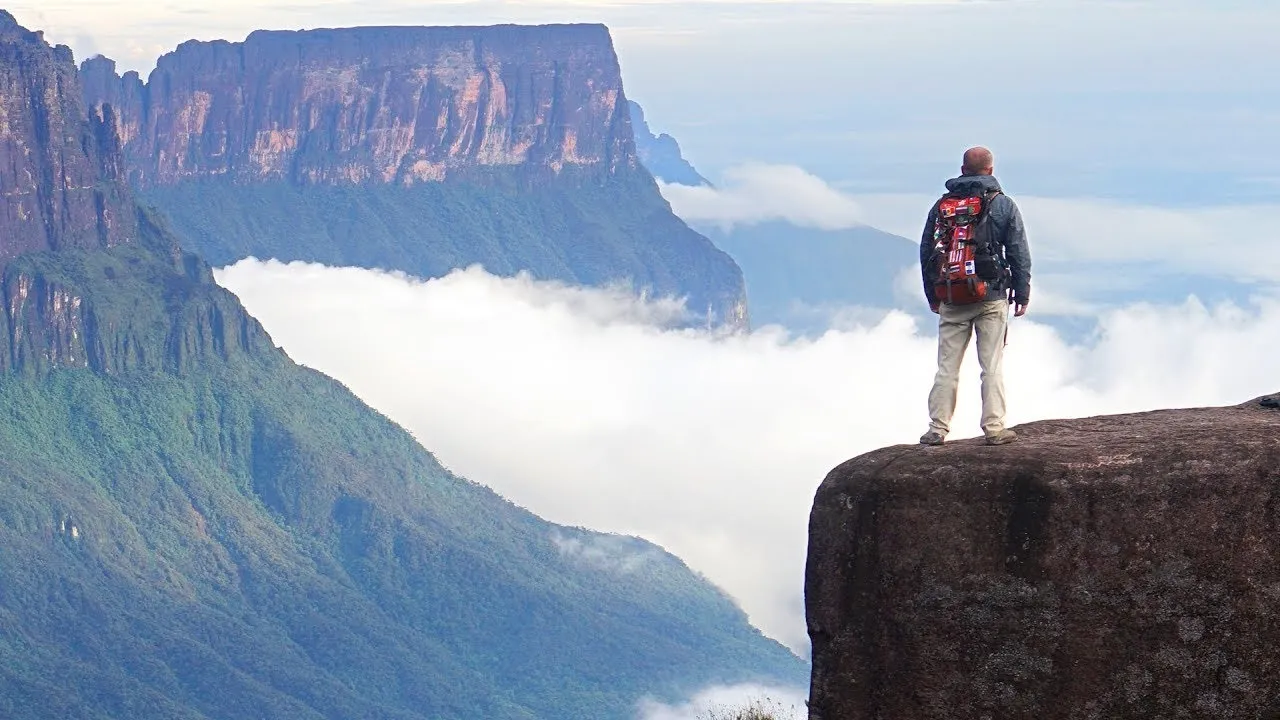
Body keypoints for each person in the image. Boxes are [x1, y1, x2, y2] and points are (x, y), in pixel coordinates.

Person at [918, 146, 1031, 446]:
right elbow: (1019, 251)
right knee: (991, 365)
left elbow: (927, 252)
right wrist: (1022, 292)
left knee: (947, 367)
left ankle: (937, 429)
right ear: (991, 170)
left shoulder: (942, 206)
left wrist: (933, 294)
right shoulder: (1003, 205)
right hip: (991, 297)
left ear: (963, 169)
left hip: (952, 296)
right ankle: (994, 428)